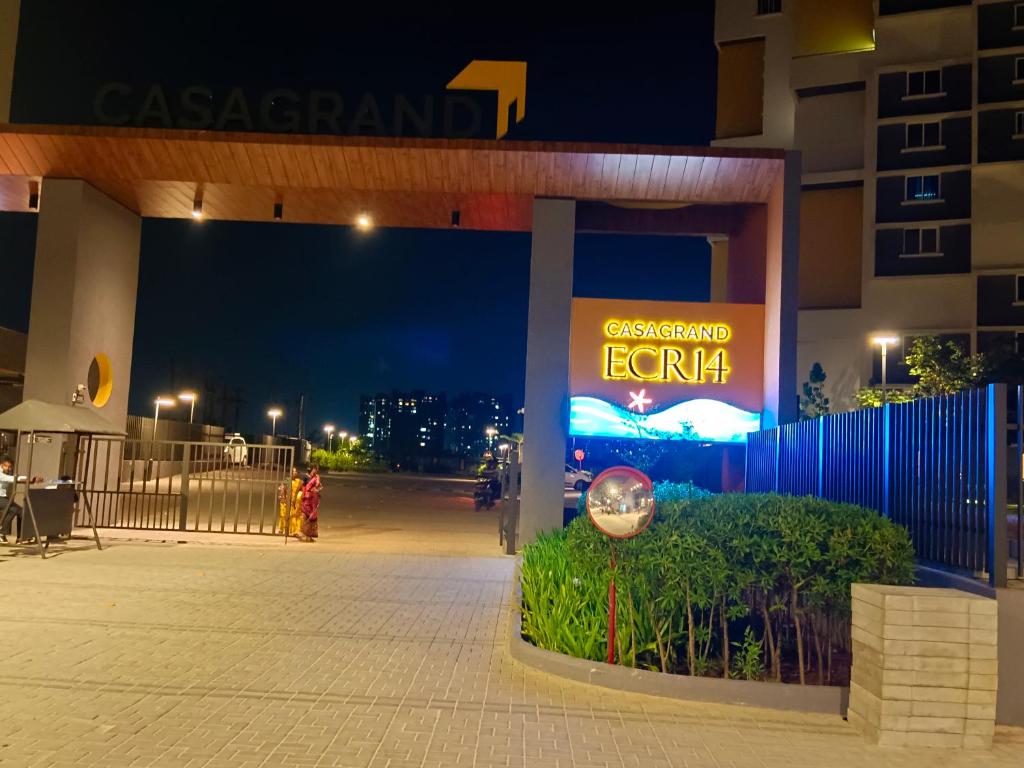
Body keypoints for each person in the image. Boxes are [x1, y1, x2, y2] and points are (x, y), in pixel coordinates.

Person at [0, 455, 42, 544]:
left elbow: (16, 478)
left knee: (22, 512)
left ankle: (21, 537)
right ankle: (1, 533)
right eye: (6, 466)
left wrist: (31, 480)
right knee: (13, 510)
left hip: (4, 498)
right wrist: (30, 479)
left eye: (9, 466)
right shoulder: (1, 474)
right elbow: (11, 479)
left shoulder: (8, 472)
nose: (8, 468)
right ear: (1, 465)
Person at [277, 466, 303, 537]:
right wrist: (283, 498)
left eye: (295, 471)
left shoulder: (299, 481)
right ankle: (281, 529)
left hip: (294, 501)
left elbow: (302, 489)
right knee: (283, 515)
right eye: (293, 471)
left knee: (293, 515)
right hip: (286, 500)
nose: (294, 473)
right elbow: (283, 489)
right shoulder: (287, 480)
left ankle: (294, 531)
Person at [298, 465, 321, 542]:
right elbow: (301, 486)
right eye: (314, 470)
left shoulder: (316, 478)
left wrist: (316, 490)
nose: (315, 471)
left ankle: (309, 536)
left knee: (312, 517)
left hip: (313, 500)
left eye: (316, 470)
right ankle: (303, 533)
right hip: (306, 498)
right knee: (304, 516)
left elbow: (319, 486)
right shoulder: (306, 477)